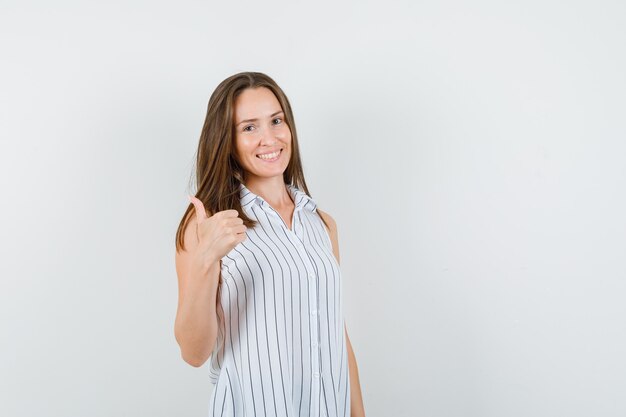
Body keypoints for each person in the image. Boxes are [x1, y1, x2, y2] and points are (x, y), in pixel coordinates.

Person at [174, 71, 365, 417]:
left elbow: (336, 333)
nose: (269, 138)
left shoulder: (321, 224)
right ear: (226, 141)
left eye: (276, 121)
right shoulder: (208, 226)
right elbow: (193, 352)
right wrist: (206, 259)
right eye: (249, 127)